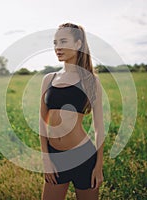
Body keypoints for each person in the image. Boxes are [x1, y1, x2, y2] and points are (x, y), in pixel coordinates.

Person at [39, 23, 104, 200]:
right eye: (55, 42)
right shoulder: (49, 79)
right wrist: (46, 159)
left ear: (78, 44)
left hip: (84, 155)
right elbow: (42, 123)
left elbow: (99, 127)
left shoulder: (91, 81)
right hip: (55, 156)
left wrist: (98, 166)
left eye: (63, 41)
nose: (57, 47)